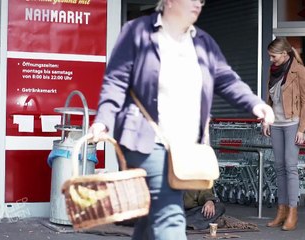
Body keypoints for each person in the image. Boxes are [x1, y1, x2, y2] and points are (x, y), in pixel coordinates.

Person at [89, 0, 275, 239]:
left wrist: (255, 104)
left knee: (152, 215)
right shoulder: (138, 33)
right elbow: (115, 81)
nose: (197, 4)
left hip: (184, 145)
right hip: (145, 138)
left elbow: (226, 79)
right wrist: (103, 120)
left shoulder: (203, 42)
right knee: (170, 213)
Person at [262, 37, 305, 231]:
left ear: (284, 54)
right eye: (269, 56)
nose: (271, 59)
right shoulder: (272, 70)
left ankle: (292, 212)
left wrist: (302, 129)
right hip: (276, 124)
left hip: (292, 124)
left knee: (290, 167)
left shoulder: (299, 71)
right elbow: (269, 99)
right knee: (279, 168)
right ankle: (281, 211)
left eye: (273, 56)